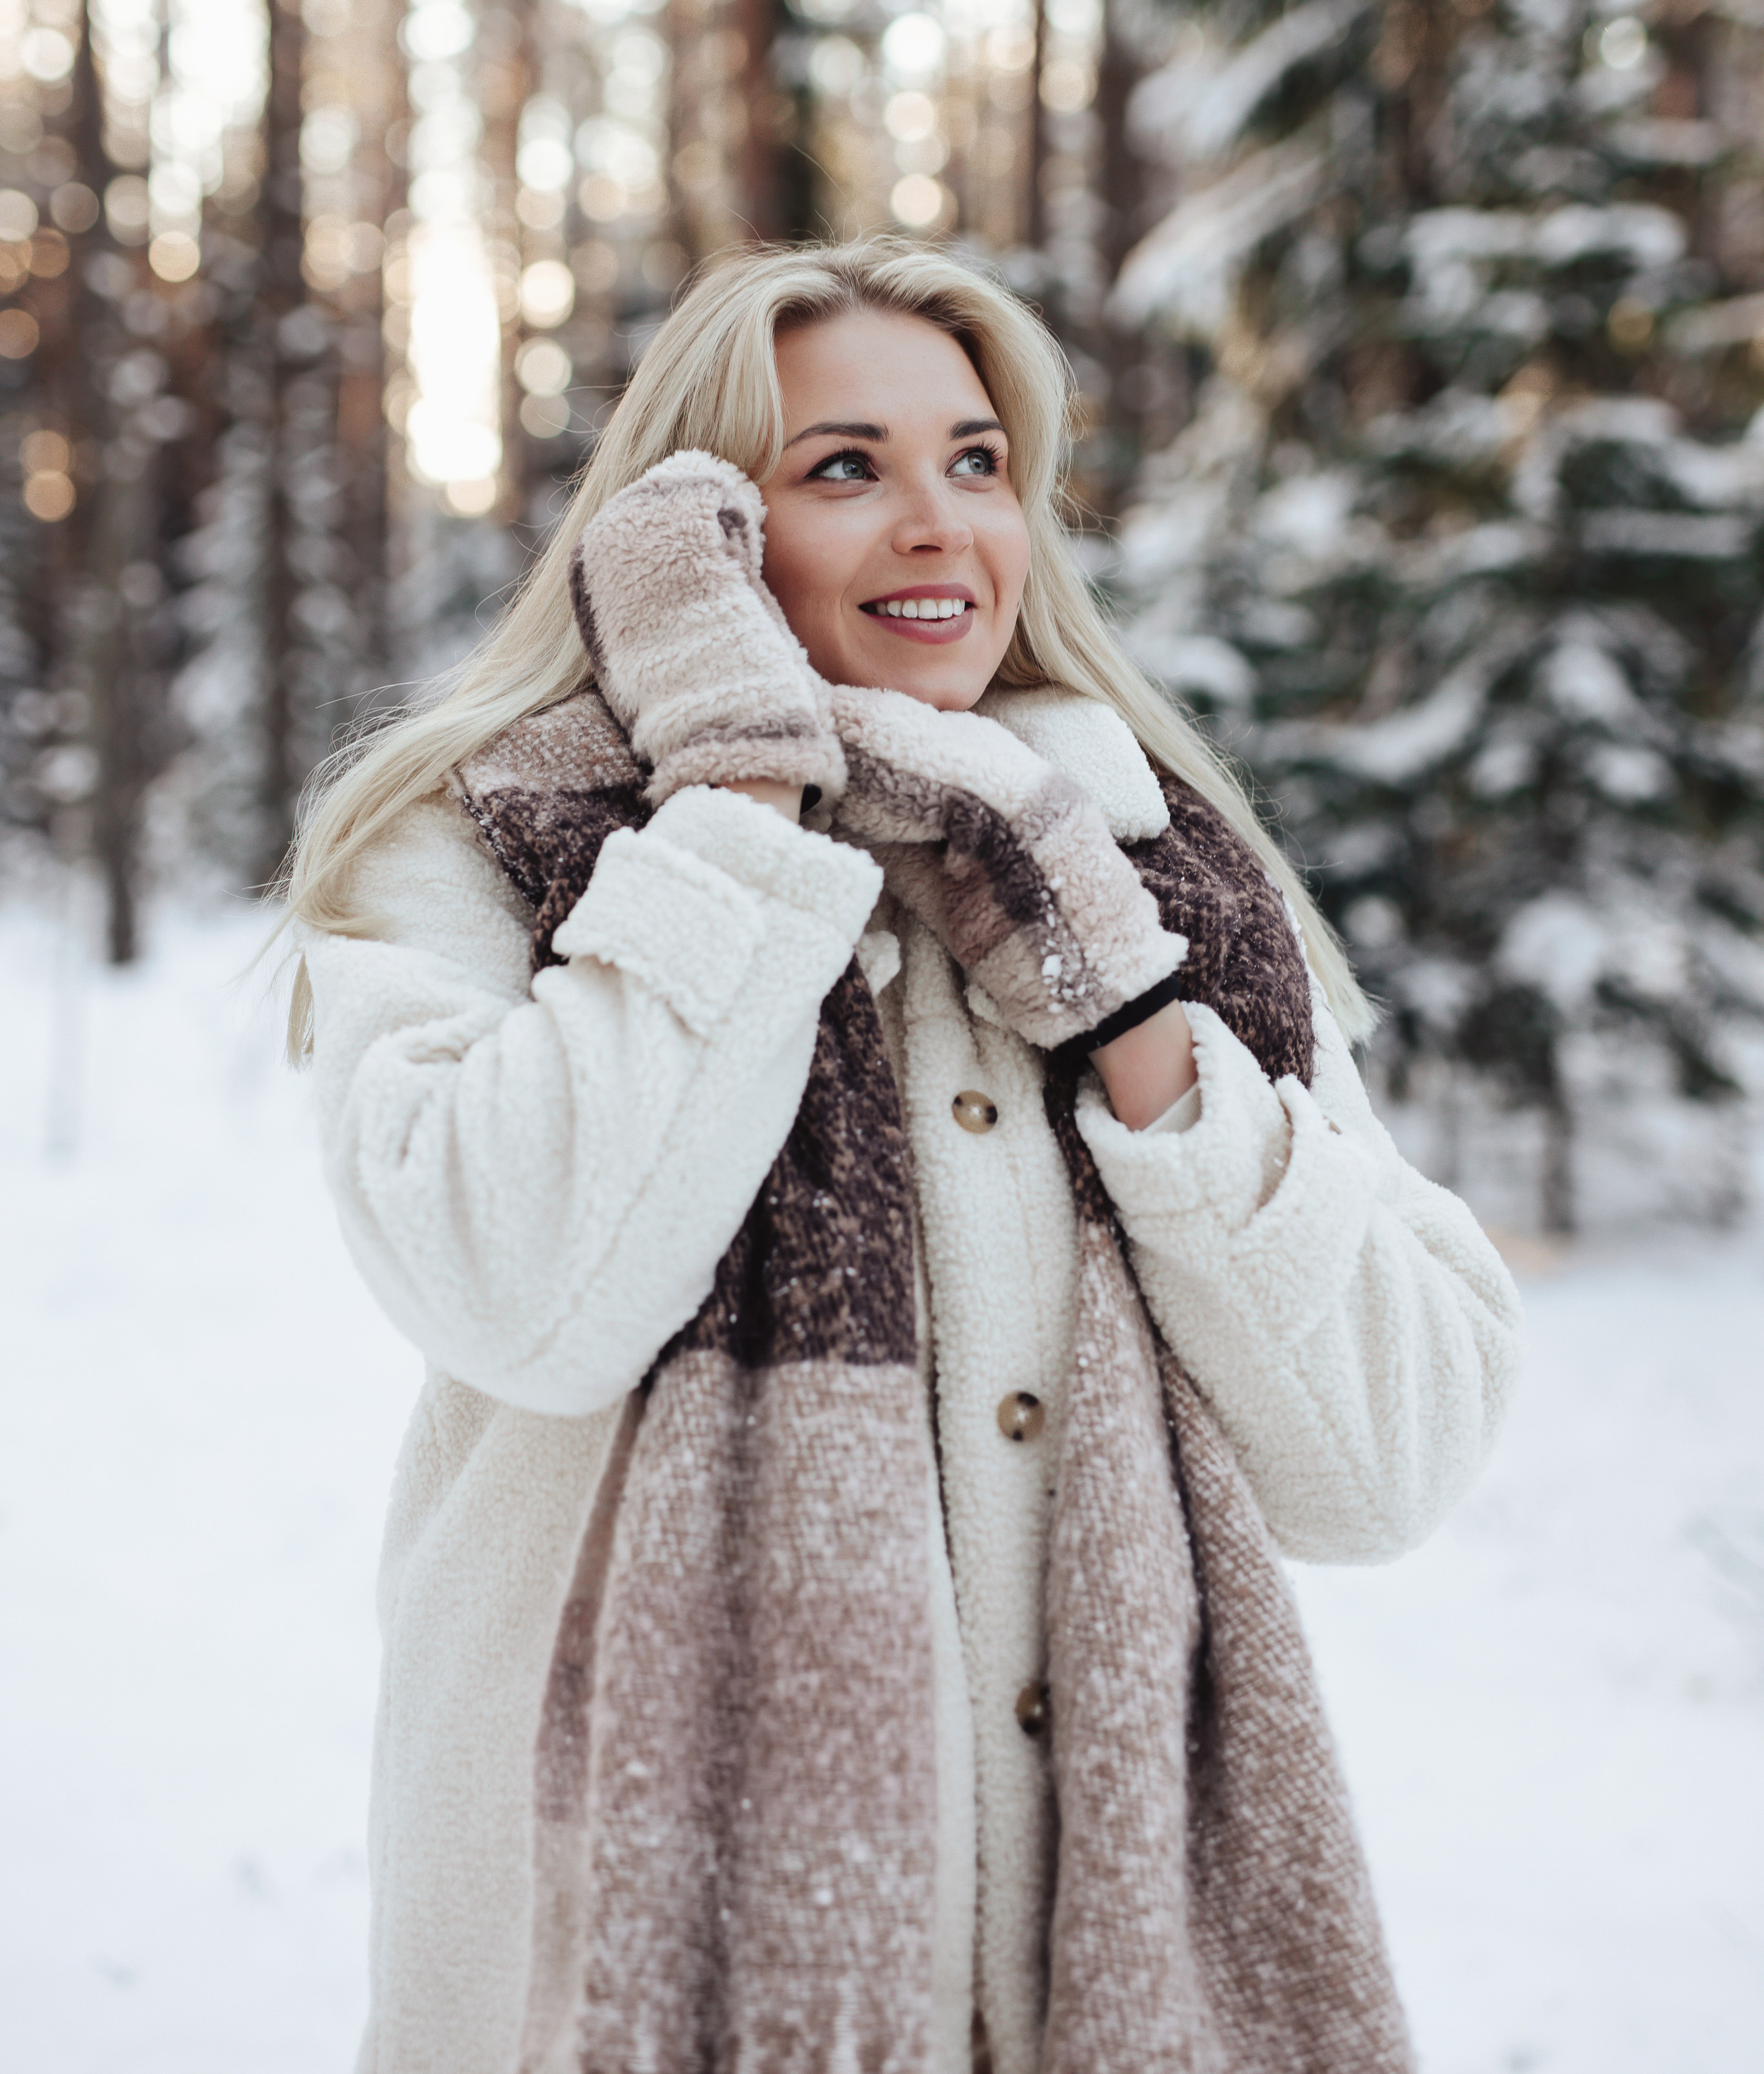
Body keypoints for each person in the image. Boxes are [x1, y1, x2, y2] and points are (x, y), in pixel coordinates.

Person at [288, 236, 1522, 2074]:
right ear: (693, 534)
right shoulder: (476, 850)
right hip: (598, 1964)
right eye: (843, 467)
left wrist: (1121, 998)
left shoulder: (1157, 872)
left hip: (1091, 1989)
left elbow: (1389, 1462)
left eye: (979, 461)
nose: (939, 525)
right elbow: (526, 1291)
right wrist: (735, 795)